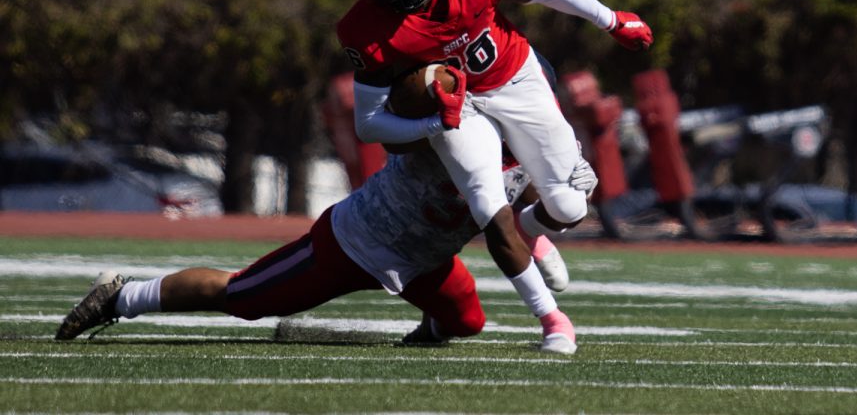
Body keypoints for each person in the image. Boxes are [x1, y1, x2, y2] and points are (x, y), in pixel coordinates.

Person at [337, 0, 653, 317]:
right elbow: (368, 122)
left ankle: (531, 229)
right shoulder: (366, 27)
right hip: (461, 105)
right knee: (485, 199)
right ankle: (551, 317)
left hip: (514, 77)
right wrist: (433, 121)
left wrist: (611, 20)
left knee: (571, 206)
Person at [55, 146, 597, 354]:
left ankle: (422, 328)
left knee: (465, 322)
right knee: (244, 296)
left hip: (425, 259)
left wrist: (554, 218)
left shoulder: (533, 145)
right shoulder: (455, 122)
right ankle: (123, 296)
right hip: (355, 243)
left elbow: (526, 204)